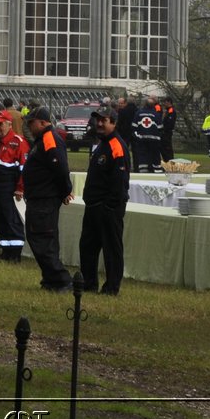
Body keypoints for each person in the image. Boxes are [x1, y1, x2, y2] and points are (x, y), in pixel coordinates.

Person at [19, 106, 73, 292]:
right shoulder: (43, 139)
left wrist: (65, 191)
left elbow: (60, 166)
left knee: (43, 238)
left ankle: (60, 279)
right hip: (40, 197)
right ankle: (51, 279)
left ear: (42, 122)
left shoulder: (49, 138)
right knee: (41, 238)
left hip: (44, 198)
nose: (29, 127)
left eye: (31, 123)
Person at [79, 104, 131, 295]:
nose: (99, 123)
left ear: (114, 123)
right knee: (87, 247)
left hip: (107, 207)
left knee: (111, 249)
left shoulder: (116, 146)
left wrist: (110, 206)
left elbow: (120, 181)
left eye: (104, 120)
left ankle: (111, 287)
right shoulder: (101, 143)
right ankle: (89, 283)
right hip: (93, 205)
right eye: (98, 119)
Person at [0, 110, 28, 261]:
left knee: (12, 220)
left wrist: (20, 188)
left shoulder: (18, 142)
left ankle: (15, 255)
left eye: (0, 124)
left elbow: (24, 169)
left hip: (10, 188)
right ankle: (5, 251)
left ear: (9, 125)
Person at [132, 98, 165, 174]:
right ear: (153, 105)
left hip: (142, 139)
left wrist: (137, 137)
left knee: (142, 156)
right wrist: (158, 136)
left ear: (145, 104)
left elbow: (134, 127)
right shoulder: (156, 115)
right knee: (156, 157)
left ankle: (143, 172)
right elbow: (160, 128)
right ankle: (158, 172)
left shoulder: (138, 113)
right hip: (154, 140)